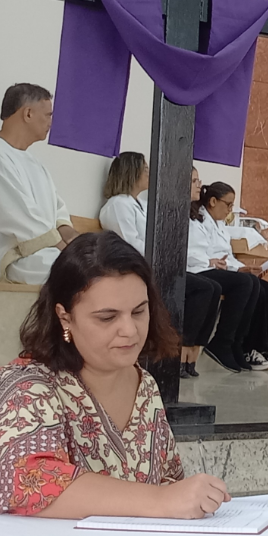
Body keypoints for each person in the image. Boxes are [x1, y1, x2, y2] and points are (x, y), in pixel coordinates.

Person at [0, 232, 231, 518]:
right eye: (107, 317)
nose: (130, 330)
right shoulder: (25, 386)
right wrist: (161, 500)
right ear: (65, 317)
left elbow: (169, 481)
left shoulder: (145, 386)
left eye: (139, 312)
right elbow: (30, 483)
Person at [100, 154, 218, 378]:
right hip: (135, 268)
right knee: (200, 288)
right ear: (131, 173)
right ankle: (177, 353)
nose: (149, 173)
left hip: (154, 264)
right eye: (145, 169)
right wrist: (161, 256)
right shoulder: (118, 204)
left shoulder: (141, 205)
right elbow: (129, 244)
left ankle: (191, 351)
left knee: (210, 287)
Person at [0, 84, 79, 284]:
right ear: (28, 114)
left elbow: (56, 209)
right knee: (80, 275)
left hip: (35, 255)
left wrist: (73, 237)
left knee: (99, 272)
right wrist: (71, 254)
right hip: (5, 260)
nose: (51, 122)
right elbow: (23, 223)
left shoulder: (35, 164)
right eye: (48, 115)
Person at [188, 176, 268, 372]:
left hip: (218, 268)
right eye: (228, 205)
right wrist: (211, 262)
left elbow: (228, 256)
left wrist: (243, 268)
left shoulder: (220, 225)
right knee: (245, 284)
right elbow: (192, 252)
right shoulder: (196, 219)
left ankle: (255, 346)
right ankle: (226, 342)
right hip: (200, 269)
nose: (229, 210)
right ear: (213, 201)